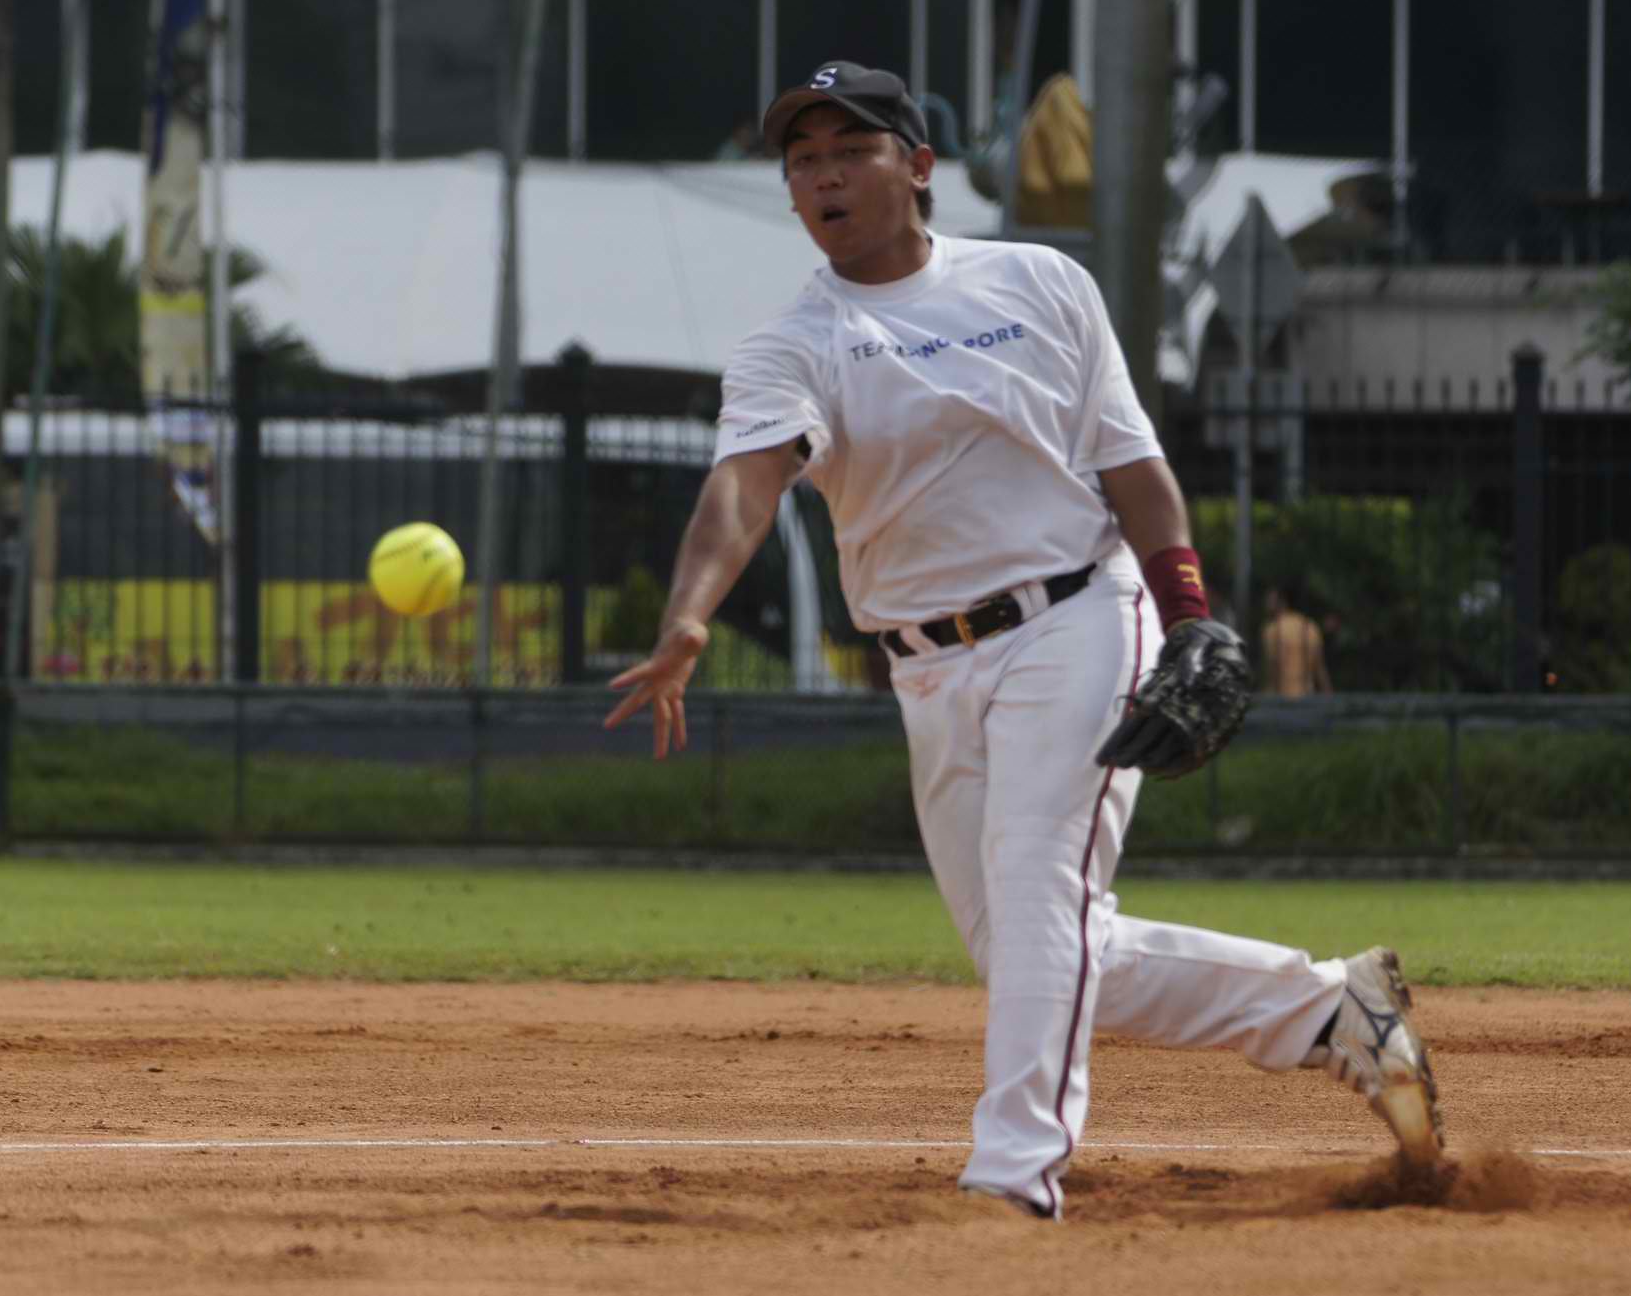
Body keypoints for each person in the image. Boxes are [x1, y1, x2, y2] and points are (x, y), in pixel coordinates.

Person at [603, 62, 1441, 1220]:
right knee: (1035, 951)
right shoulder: (794, 340)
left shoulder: (1040, 280)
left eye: (851, 147)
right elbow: (741, 487)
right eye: (802, 159)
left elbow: (1132, 469)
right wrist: (688, 612)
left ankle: (1011, 1176)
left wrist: (1189, 616)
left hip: (1076, 618)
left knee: (1041, 889)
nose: (823, 174)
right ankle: (1327, 1011)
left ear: (918, 166)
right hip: (927, 666)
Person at [1261, 586, 1333, 696]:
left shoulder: (1272, 630)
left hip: (1280, 699)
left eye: (1270, 600)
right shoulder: (1310, 627)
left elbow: (1272, 669)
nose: (1266, 604)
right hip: (1306, 696)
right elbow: (1320, 669)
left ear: (1282, 601)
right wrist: (1329, 697)